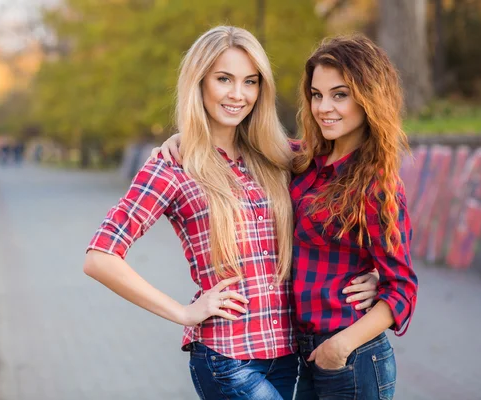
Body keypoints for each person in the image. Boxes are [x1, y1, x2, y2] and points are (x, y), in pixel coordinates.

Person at [84, 26, 377, 400]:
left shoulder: (282, 157)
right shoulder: (172, 167)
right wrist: (184, 313)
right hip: (227, 360)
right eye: (224, 79)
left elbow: (365, 198)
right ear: (199, 82)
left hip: (290, 355)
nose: (238, 95)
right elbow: (99, 257)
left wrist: (376, 272)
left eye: (250, 82)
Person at [288, 35, 418, 399]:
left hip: (351, 358)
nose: (323, 107)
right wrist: (179, 142)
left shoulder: (378, 185)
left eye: (339, 94)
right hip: (306, 353)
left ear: (368, 97)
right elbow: (239, 144)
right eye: (317, 94)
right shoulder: (302, 161)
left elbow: (403, 288)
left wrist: (339, 348)